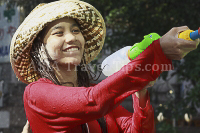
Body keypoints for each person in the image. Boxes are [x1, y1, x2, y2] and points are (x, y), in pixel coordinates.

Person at [10, 0, 198, 133]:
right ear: (40, 50)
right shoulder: (36, 94)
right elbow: (93, 101)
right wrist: (158, 51)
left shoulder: (97, 94)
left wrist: (140, 93)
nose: (71, 37)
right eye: (58, 33)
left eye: (76, 30)